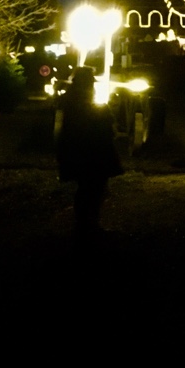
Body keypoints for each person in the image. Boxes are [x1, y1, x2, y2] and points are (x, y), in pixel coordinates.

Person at [55, 66, 124, 239]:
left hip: (84, 154)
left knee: (89, 189)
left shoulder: (71, 101)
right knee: (92, 190)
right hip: (90, 156)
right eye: (90, 82)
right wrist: (105, 114)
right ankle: (87, 227)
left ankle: (87, 225)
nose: (92, 86)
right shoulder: (80, 104)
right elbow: (96, 127)